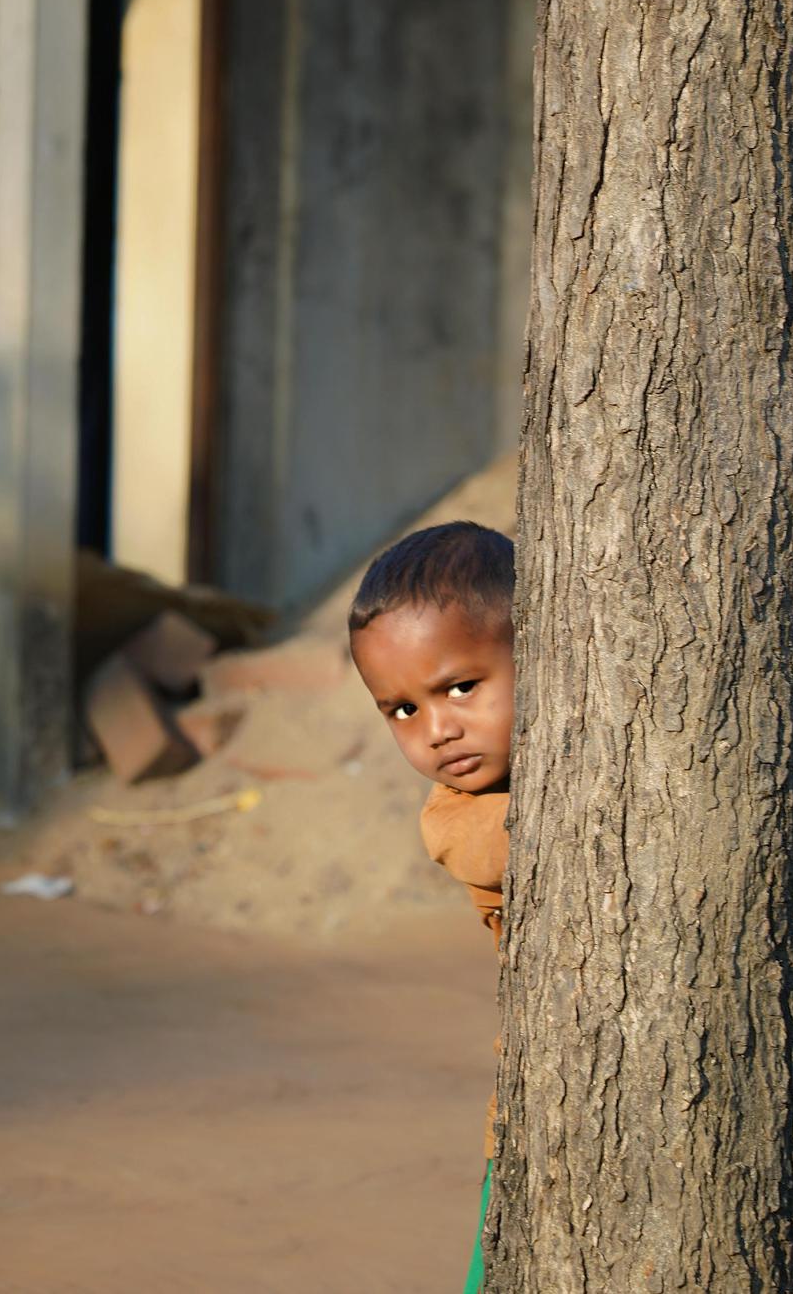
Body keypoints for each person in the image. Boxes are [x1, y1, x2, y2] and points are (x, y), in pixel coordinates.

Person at [349, 521, 514, 1294]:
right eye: (402, 710)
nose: (438, 729)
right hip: (534, 1114)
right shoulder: (458, 817)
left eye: (460, 686)